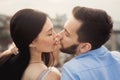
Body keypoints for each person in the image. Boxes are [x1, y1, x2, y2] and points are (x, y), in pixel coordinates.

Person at [59, 6, 120, 80]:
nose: (59, 35)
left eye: (67, 34)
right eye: (63, 29)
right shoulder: (117, 58)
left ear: (85, 47)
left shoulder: (72, 70)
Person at [0, 9, 61, 80]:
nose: (56, 35)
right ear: (32, 42)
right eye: (49, 34)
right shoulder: (51, 76)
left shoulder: (7, 62)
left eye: (53, 30)